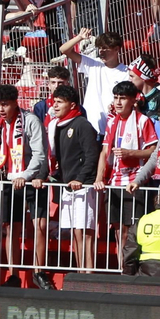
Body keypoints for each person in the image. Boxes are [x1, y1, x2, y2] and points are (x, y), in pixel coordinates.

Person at [0, 84, 53, 288]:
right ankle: (13, 275)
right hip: (10, 181)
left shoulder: (30, 120)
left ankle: (39, 273)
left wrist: (25, 175)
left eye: (5, 104)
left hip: (34, 179)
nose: (1, 109)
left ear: (15, 103)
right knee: (11, 227)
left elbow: (40, 154)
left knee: (39, 226)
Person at [94, 80, 157, 267]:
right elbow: (105, 152)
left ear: (133, 100)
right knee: (118, 229)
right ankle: (123, 269)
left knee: (132, 230)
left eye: (122, 98)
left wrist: (131, 153)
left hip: (134, 183)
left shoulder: (143, 121)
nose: (118, 102)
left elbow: (154, 151)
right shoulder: (111, 121)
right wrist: (99, 178)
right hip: (114, 182)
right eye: (116, 98)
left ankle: (133, 269)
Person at [48, 84, 102, 269]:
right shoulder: (58, 126)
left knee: (85, 232)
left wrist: (81, 178)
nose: (55, 106)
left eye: (60, 102)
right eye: (54, 102)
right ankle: (80, 271)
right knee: (75, 232)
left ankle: (88, 274)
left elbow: (92, 155)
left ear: (72, 105)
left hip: (83, 186)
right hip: (68, 186)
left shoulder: (82, 125)